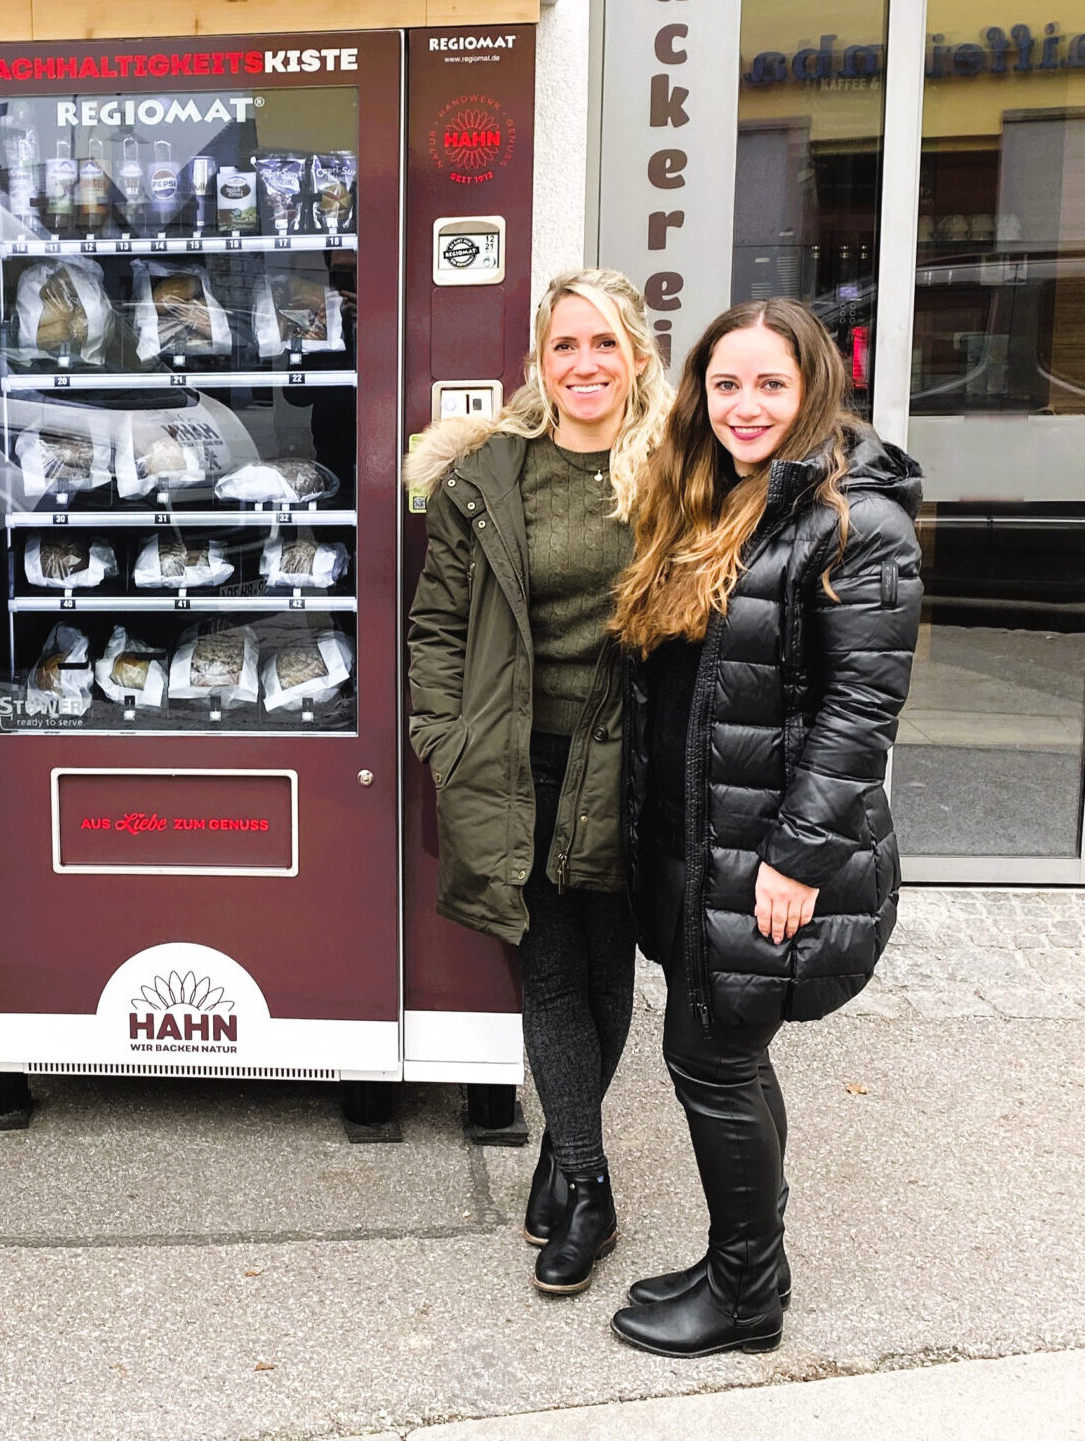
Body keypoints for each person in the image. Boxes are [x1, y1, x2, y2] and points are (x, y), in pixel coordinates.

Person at [608, 298, 922, 1357]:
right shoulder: (719, 497)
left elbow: (860, 709)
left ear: (813, 390)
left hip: (767, 849)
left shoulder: (855, 520)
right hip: (707, 838)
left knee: (709, 1058)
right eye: (726, 383)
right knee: (727, 1057)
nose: (746, 406)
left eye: (771, 385)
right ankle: (749, 1263)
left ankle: (747, 1294)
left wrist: (794, 857)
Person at [406, 269, 671, 1296]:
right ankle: (590, 1188)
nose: (585, 365)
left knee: (612, 978)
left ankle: (562, 1152)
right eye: (565, 347)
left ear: (637, 355)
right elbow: (436, 625)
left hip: (630, 766)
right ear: (539, 362)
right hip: (517, 762)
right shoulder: (493, 476)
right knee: (550, 970)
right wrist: (445, 739)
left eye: (603, 345)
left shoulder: (676, 472)